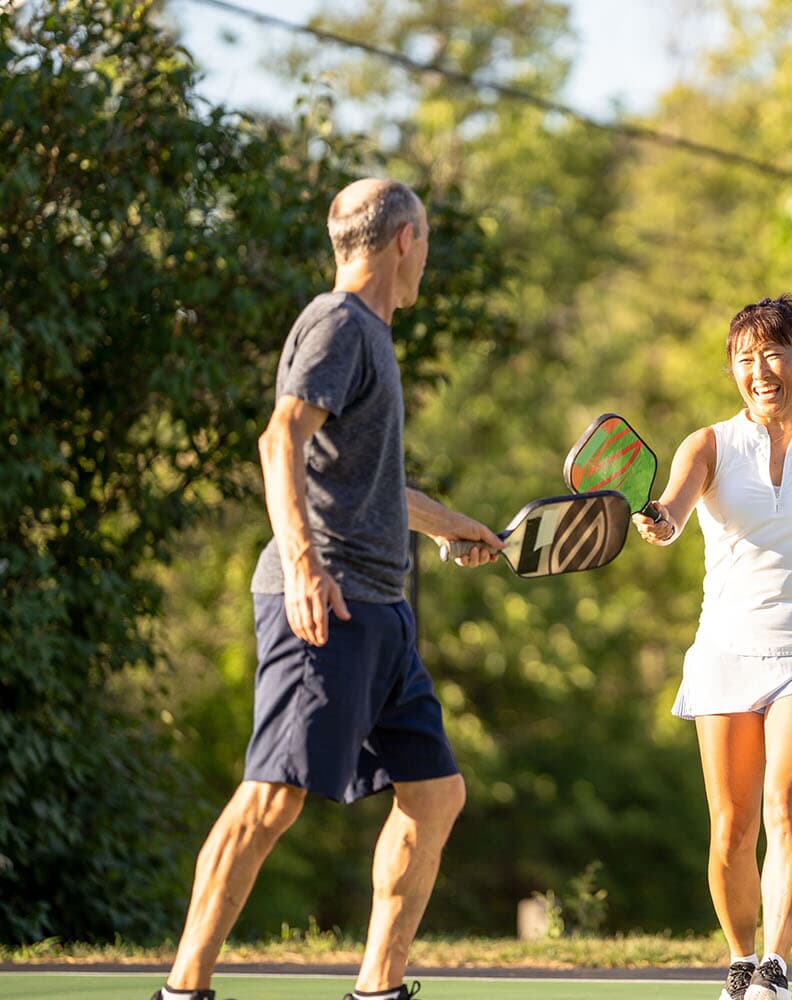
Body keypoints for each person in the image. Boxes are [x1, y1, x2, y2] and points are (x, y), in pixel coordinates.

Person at [154, 178, 505, 1000]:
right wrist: (305, 568)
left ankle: (378, 989)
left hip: (383, 610)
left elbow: (368, 483)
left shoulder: (373, 339)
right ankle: (183, 988)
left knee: (435, 794)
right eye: (426, 243)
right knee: (273, 799)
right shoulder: (339, 323)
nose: (426, 258)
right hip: (329, 602)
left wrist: (450, 522)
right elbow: (280, 438)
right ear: (404, 242)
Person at [633, 294, 792, 1000]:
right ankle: (739, 959)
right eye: (743, 357)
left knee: (786, 803)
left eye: (771, 353)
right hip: (727, 651)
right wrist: (662, 523)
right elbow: (673, 506)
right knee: (731, 826)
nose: (759, 369)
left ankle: (775, 966)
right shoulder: (707, 445)